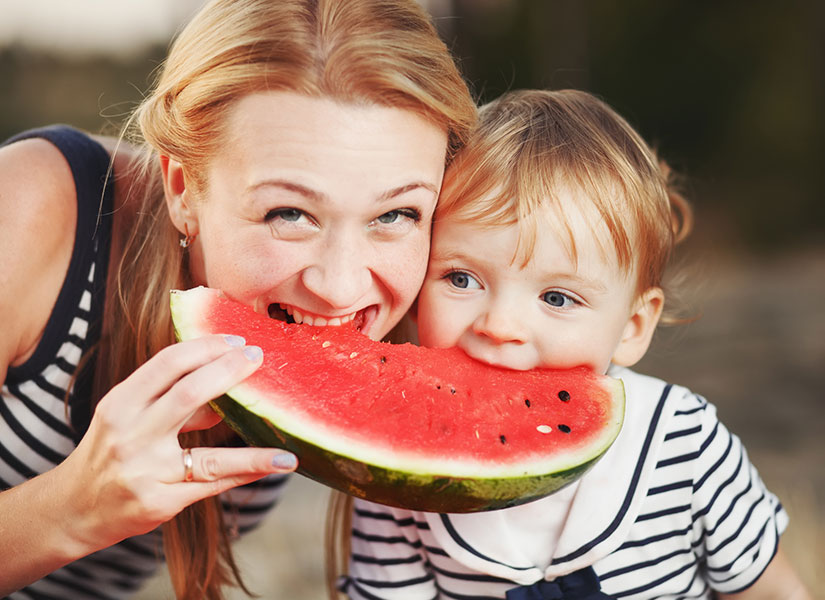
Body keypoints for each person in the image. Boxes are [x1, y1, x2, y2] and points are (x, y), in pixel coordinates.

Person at [0, 0, 476, 597]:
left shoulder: (444, 296)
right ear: (182, 189)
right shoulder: (31, 209)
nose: (342, 287)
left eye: (396, 214)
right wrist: (70, 508)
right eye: (290, 213)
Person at [338, 90, 812, 599]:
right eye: (461, 279)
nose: (500, 326)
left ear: (633, 326)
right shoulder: (397, 475)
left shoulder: (685, 442)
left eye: (558, 297)